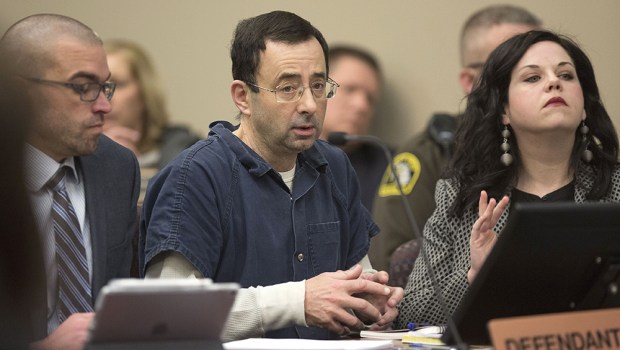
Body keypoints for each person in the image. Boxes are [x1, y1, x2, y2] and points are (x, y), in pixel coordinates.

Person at [140, 10, 403, 341]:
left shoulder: (334, 167)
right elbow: (166, 315)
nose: (309, 103)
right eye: (288, 88)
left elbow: (356, 280)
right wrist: (297, 302)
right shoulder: (195, 175)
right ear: (242, 97)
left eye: (318, 86)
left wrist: (371, 304)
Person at [394, 30, 620, 327]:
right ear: (504, 111)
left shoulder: (615, 190)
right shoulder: (460, 197)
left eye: (566, 75)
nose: (554, 82)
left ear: (585, 107)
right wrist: (475, 276)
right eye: (532, 78)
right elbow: (410, 314)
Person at [1, 14, 140, 349]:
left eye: (105, 86)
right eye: (83, 88)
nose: (105, 106)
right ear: (21, 94)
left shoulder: (117, 168)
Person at [370, 4, 542, 274]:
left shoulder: (575, 149)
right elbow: (396, 266)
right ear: (469, 80)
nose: (538, 79)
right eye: (510, 65)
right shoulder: (429, 153)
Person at [103, 39, 202, 203]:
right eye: (96, 86)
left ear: (145, 92)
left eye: (118, 85)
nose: (106, 96)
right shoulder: (71, 158)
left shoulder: (185, 152)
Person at [319, 45, 386, 211]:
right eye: (350, 89)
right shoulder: (278, 160)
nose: (362, 105)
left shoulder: (388, 165)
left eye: (370, 99)